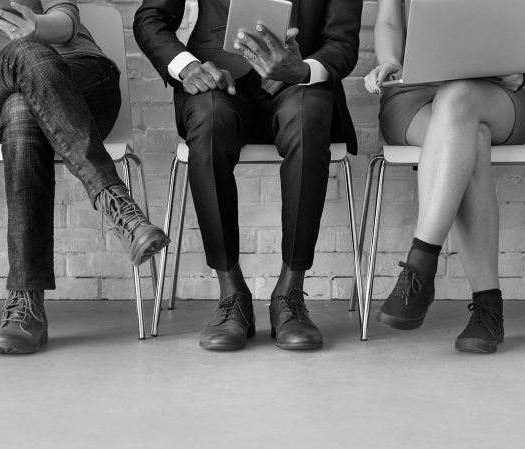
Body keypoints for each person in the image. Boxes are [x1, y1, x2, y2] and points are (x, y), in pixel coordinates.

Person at [135, 0, 362, 351]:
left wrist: (302, 69)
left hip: (299, 83)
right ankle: (231, 294)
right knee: (208, 124)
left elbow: (342, 41)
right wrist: (188, 66)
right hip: (216, 77)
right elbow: (151, 17)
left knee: (308, 118)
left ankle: (290, 293)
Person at [0, 1, 169, 354]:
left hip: (81, 77)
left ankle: (26, 306)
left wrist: (34, 24)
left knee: (22, 108)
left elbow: (65, 23)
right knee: (22, 54)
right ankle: (119, 207)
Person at [361, 0, 525, 353]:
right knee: (473, 140)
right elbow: (389, 19)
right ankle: (488, 309)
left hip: (491, 91)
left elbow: (521, 20)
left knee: (458, 100)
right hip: (413, 92)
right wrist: (390, 60)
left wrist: (519, 69)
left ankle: (419, 266)